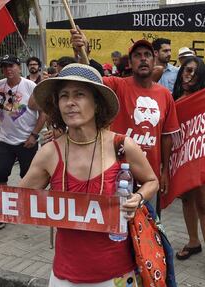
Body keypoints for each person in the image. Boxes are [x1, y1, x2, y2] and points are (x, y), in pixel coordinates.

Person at [25, 63, 158, 285]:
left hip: (117, 275)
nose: (70, 103)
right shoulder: (50, 153)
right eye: (64, 96)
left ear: (97, 104)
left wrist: (139, 198)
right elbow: (17, 200)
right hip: (65, 277)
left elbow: (152, 180)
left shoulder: (123, 146)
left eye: (80, 95)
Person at [71, 29, 180, 216]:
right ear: (130, 63)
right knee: (116, 227)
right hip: (116, 174)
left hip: (148, 179)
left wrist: (164, 172)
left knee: (148, 231)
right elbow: (86, 82)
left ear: (154, 61)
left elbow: (166, 136)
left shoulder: (164, 95)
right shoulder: (116, 86)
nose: (143, 59)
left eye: (147, 55)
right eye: (137, 56)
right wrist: (81, 54)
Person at [172, 56, 205, 280]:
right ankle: (194, 242)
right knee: (186, 200)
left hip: (201, 156)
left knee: (204, 205)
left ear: (201, 75)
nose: (188, 74)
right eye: (185, 70)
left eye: (193, 71)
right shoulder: (172, 98)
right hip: (181, 158)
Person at [0, 54, 47, 230]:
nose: (8, 70)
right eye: (4, 67)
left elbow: (43, 113)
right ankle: (3, 211)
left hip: (27, 140)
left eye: (11, 66)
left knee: (28, 177)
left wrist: (34, 135)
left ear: (19, 67)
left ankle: (29, 208)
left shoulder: (31, 86)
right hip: (5, 140)